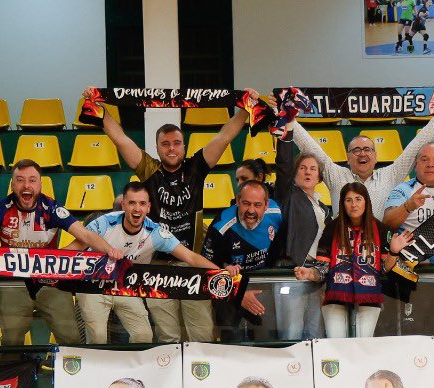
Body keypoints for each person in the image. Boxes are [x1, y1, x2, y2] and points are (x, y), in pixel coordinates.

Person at [102, 96, 257, 342]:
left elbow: (224, 137)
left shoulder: (195, 168)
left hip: (193, 264)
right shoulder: (149, 170)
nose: (171, 149)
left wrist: (246, 109)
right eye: (165, 144)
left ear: (184, 147)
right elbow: (120, 139)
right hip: (157, 266)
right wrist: (100, 109)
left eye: (176, 143)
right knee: (168, 337)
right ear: (157, 148)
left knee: (202, 336)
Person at [0, 160, 120, 345]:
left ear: (40, 185)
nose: (26, 185)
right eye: (20, 180)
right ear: (12, 185)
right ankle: (12, 367)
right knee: (11, 341)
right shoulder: (1, 208)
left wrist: (109, 251)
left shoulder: (52, 208)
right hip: (13, 282)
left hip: (50, 281)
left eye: (32, 180)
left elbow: (85, 235)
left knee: (70, 338)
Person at [76, 181, 226, 344]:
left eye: (142, 204)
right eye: (132, 203)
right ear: (123, 205)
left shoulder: (155, 232)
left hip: (125, 288)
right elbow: (75, 248)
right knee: (97, 337)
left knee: (144, 336)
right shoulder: (103, 223)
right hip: (92, 285)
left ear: (148, 207)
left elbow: (191, 257)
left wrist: (222, 274)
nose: (137, 209)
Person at [284, 107, 434, 210]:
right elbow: (309, 147)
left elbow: (414, 149)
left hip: (378, 248)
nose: (362, 154)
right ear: (348, 158)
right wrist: (288, 117)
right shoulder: (336, 175)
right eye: (356, 150)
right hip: (343, 249)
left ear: (375, 157)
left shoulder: (389, 175)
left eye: (367, 149)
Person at [382, 143, 434, 333]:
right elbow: (388, 222)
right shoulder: (403, 190)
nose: (430, 164)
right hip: (410, 280)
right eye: (424, 159)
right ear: (416, 165)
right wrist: (408, 206)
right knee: (412, 341)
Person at [202, 180, 284, 341]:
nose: (251, 210)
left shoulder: (277, 214)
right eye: (246, 203)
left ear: (266, 205)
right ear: (238, 201)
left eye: (257, 205)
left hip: (263, 282)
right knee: (231, 339)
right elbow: (206, 270)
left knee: (269, 338)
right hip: (229, 285)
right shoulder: (221, 226)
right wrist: (237, 293)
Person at [304, 182, 385, 338]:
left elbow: (385, 269)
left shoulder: (381, 229)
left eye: (358, 199)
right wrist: (310, 273)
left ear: (366, 202)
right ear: (342, 204)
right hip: (335, 296)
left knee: (363, 344)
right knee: (336, 344)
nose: (354, 204)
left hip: (369, 296)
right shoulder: (331, 228)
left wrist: (393, 252)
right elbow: (322, 268)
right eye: (348, 200)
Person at [274, 152, 329, 341]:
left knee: (316, 334)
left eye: (313, 169)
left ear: (319, 177)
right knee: (292, 334)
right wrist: (285, 139)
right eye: (302, 168)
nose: (307, 172)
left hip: (315, 275)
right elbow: (283, 168)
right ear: (294, 173)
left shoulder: (323, 207)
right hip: (292, 271)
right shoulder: (289, 196)